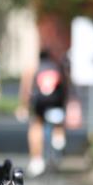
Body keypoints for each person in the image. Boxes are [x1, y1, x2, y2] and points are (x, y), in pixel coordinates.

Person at [17, 48, 69, 177]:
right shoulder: (58, 65)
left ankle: (37, 160)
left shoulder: (33, 68)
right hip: (56, 103)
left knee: (36, 126)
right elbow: (66, 85)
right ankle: (59, 137)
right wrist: (66, 103)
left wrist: (23, 105)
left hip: (40, 103)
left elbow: (26, 88)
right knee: (58, 119)